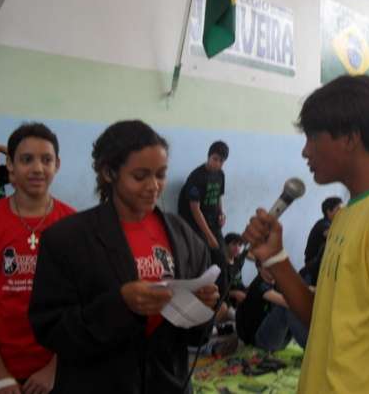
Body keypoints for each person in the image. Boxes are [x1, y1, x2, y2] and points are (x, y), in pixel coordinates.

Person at [243, 75, 369, 394]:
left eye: (313, 137)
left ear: (350, 137)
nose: (305, 151)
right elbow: (324, 318)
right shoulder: (348, 215)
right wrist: (276, 258)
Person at [29, 120, 219, 394]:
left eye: (161, 175)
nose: (153, 186)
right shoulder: (68, 239)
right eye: (140, 176)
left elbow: (195, 336)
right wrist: (120, 304)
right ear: (109, 172)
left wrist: (202, 306)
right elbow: (50, 329)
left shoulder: (183, 236)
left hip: (168, 382)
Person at [0, 123, 75, 394]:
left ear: (57, 165)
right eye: (26, 159)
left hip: (55, 370)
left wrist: (54, 368)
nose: (37, 168)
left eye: (46, 160)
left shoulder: (73, 225)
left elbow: (80, 305)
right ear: (10, 165)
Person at [178, 141, 229, 295]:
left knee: (222, 258)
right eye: (215, 159)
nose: (217, 163)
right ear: (208, 156)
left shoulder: (220, 175)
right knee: (204, 259)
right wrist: (209, 236)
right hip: (195, 225)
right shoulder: (196, 177)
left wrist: (221, 213)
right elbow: (195, 210)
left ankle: (221, 298)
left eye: (221, 161)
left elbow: (218, 196)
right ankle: (202, 296)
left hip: (213, 222)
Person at [236, 262, 307, 351]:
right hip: (261, 341)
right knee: (286, 306)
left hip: (279, 339)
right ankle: (308, 345)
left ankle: (309, 341)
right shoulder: (259, 285)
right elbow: (288, 302)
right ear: (259, 268)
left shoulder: (277, 283)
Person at [303, 196, 342, 265]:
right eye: (338, 209)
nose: (341, 211)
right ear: (329, 212)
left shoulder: (331, 224)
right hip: (313, 267)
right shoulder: (323, 224)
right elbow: (332, 235)